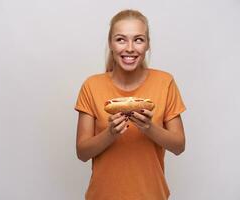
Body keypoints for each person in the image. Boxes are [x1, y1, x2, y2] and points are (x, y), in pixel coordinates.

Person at [74, 9, 186, 200]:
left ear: (147, 44)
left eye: (138, 39)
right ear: (111, 43)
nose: (130, 48)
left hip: (152, 195)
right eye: (121, 39)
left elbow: (179, 146)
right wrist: (110, 133)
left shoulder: (165, 82)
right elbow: (82, 153)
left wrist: (149, 128)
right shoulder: (91, 86)